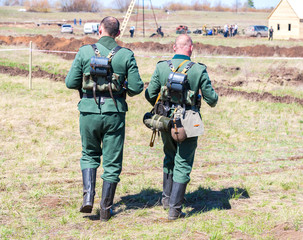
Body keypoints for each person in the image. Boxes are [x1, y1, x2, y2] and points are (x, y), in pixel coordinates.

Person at [65, 16, 143, 221]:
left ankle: (88, 197)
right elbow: (136, 88)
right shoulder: (126, 55)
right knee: (112, 162)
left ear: (99, 30)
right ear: (118, 33)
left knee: (89, 154)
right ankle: (106, 209)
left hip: (88, 112)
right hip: (114, 113)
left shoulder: (84, 51)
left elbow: (70, 82)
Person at [145, 35, 218, 220]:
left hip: (166, 121)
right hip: (188, 122)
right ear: (191, 48)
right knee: (183, 162)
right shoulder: (199, 70)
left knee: (169, 156)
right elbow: (212, 100)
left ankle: (167, 199)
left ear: (174, 47)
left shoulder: (161, 67)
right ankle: (175, 210)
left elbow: (150, 94)